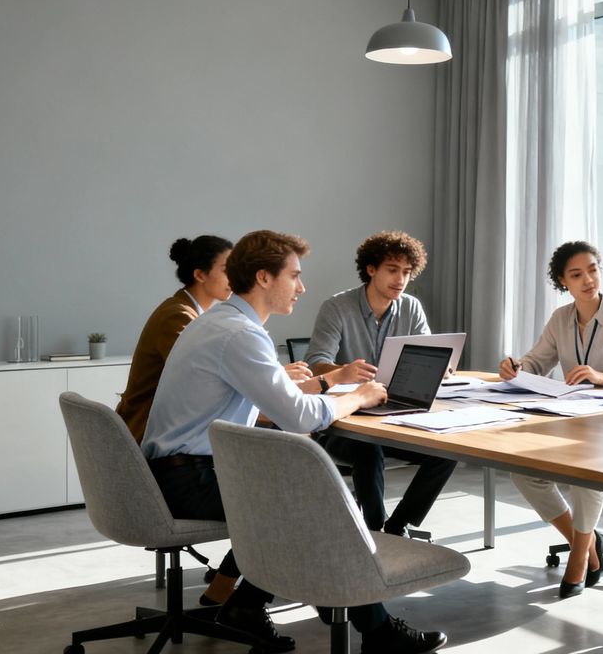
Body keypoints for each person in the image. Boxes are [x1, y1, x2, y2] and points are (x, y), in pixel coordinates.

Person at [141, 230, 447, 654]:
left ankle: (248, 606)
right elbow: (298, 418)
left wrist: (324, 385)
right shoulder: (240, 334)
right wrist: (359, 396)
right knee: (321, 507)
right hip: (188, 479)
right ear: (264, 278)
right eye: (295, 276)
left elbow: (275, 404)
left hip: (181, 470)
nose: (302, 288)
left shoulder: (221, 322)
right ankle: (374, 630)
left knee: (311, 499)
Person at [496, 241, 603, 599]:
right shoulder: (560, 319)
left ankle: (579, 556)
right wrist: (515, 367)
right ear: (563, 282)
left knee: (585, 473)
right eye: (577, 274)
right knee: (523, 471)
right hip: (571, 418)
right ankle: (590, 542)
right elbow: (536, 362)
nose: (588, 279)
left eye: (593, 269)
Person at [304, 230, 457, 536]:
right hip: (344, 420)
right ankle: (373, 532)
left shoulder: (411, 307)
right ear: (371, 269)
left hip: (393, 412)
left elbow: (426, 354)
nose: (400, 279)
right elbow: (315, 364)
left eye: (406, 272)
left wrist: (439, 369)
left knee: (447, 451)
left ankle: (395, 528)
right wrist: (346, 371)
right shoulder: (336, 307)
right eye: (392, 270)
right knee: (368, 448)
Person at [116, 235, 235, 444]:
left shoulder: (185, 311)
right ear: (200, 274)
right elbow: (201, 377)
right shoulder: (178, 316)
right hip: (147, 432)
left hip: (162, 428)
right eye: (227, 270)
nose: (235, 277)